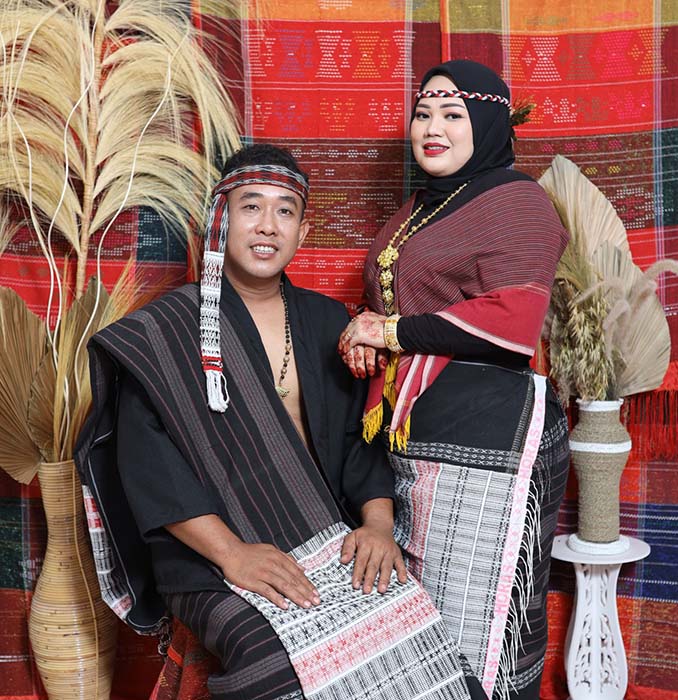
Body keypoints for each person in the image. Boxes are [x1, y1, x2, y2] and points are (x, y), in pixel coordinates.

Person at [75, 145, 486, 700]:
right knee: (274, 663)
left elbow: (359, 441)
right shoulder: (163, 333)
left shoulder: (326, 320)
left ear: (303, 231)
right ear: (220, 219)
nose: (268, 225)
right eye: (251, 206)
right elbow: (151, 469)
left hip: (321, 529)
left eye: (285, 211)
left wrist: (377, 527)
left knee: (417, 631)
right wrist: (233, 555)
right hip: (207, 553)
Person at [338, 60, 571, 700]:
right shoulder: (419, 208)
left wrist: (386, 333)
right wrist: (364, 335)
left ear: (490, 124)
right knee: (420, 627)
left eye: (452, 115)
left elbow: (513, 319)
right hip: (412, 434)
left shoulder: (517, 201)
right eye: (423, 114)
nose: (432, 128)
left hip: (490, 436)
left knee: (480, 625)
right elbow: (403, 309)